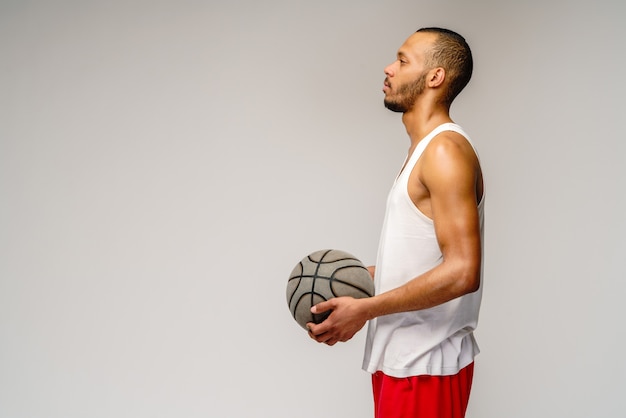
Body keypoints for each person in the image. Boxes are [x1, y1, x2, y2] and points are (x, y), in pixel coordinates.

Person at [307, 27, 484, 418]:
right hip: (403, 361)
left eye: (403, 60)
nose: (389, 68)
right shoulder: (424, 150)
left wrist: (366, 309)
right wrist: (353, 282)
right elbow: (424, 262)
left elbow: (462, 272)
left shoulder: (444, 151)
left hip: (425, 366)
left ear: (435, 77)